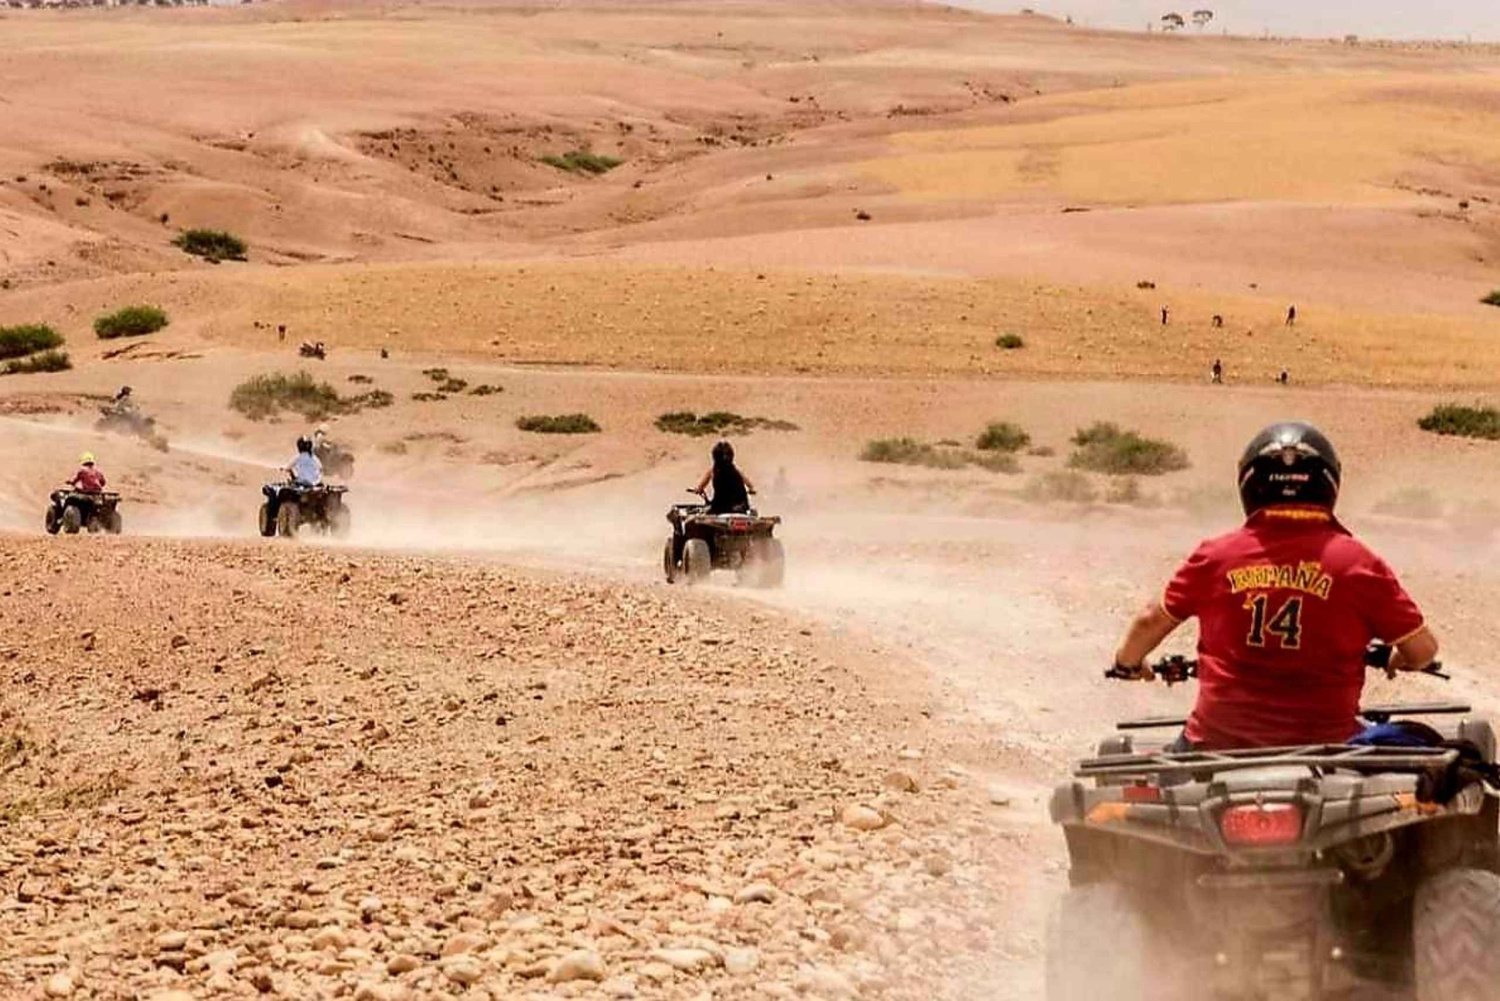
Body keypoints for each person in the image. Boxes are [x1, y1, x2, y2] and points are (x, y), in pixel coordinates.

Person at [1110, 422, 1438, 750]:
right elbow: (1423, 650)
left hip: (1217, 743)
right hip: (1327, 748)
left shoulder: (1215, 556)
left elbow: (1150, 620)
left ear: (1249, 483)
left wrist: (1128, 663)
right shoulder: (1357, 562)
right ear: (1329, 483)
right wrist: (1400, 658)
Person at [695, 440, 755, 514]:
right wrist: (751, 489)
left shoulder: (714, 470)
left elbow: (702, 485)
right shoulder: (735, 470)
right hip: (740, 505)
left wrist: (698, 489)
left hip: (721, 507)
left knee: (705, 512)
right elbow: (747, 482)